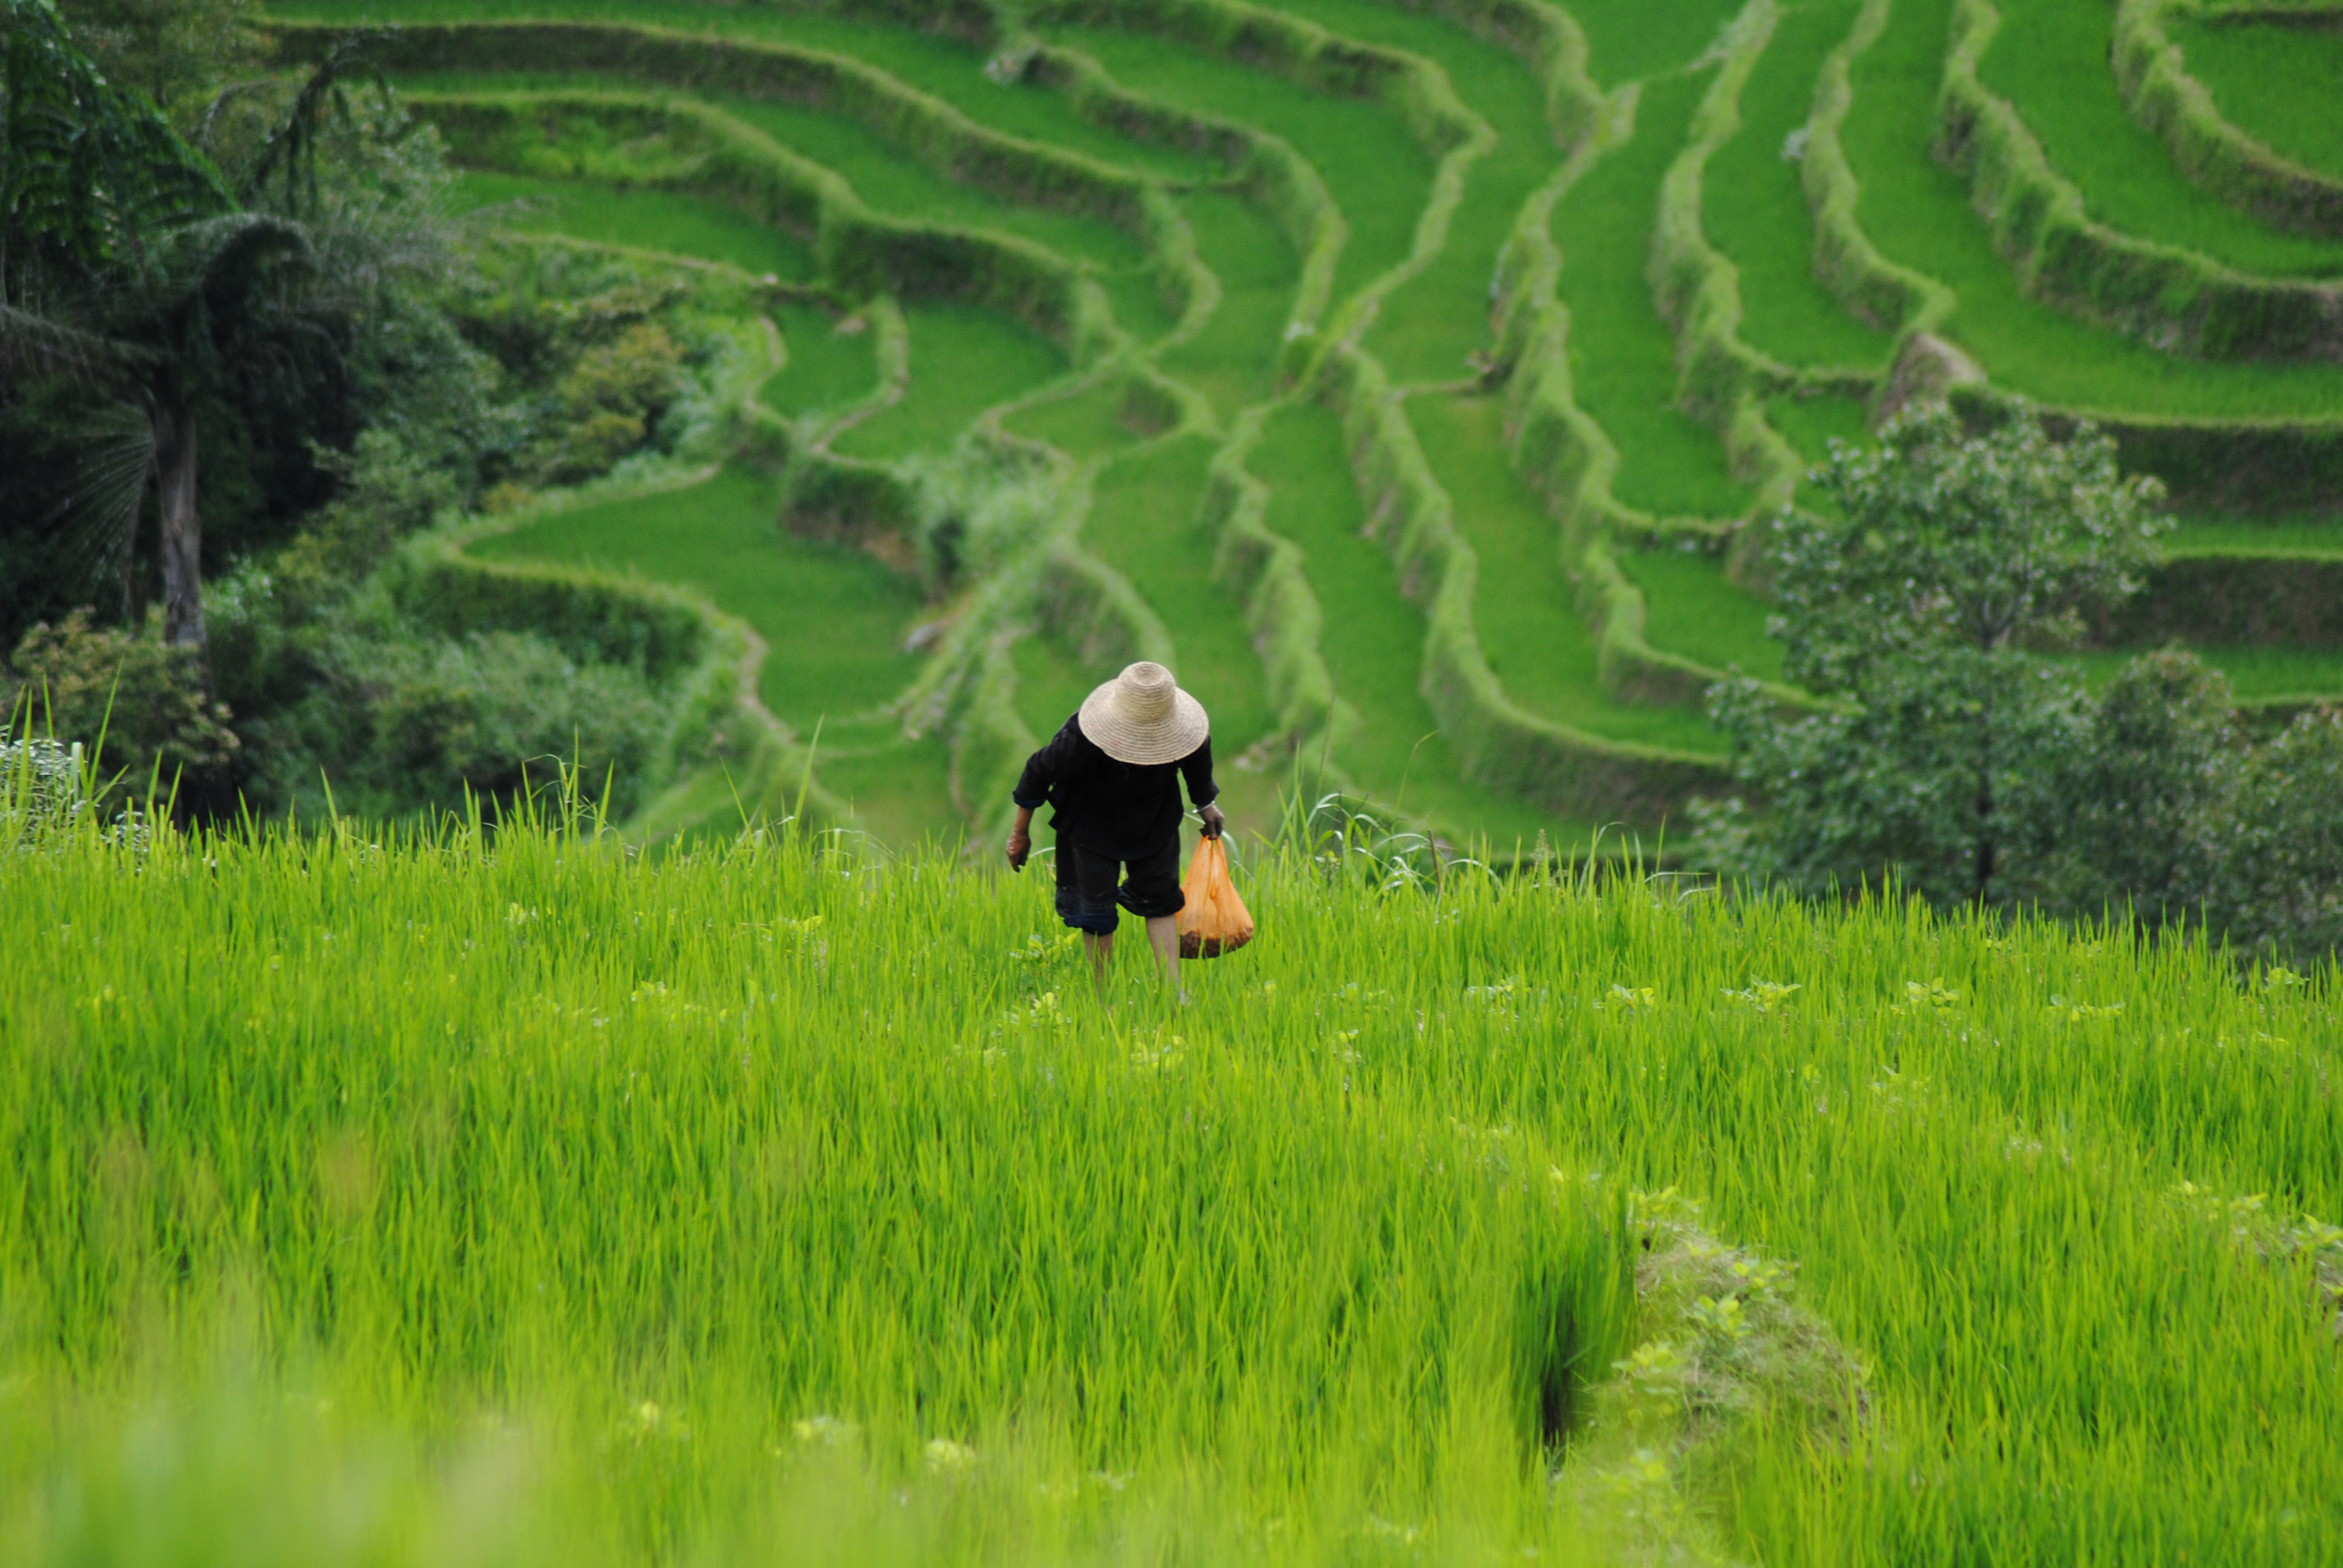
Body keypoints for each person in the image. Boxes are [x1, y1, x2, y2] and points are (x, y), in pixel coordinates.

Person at [1007, 661, 1225, 992]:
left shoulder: (1185, 732)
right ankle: (1102, 995)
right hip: (1090, 822)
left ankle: (1173, 990)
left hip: (1155, 815)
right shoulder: (1082, 736)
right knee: (1096, 910)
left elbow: (1197, 762)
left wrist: (1206, 804)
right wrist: (1019, 834)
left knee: (1163, 897)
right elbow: (1038, 773)